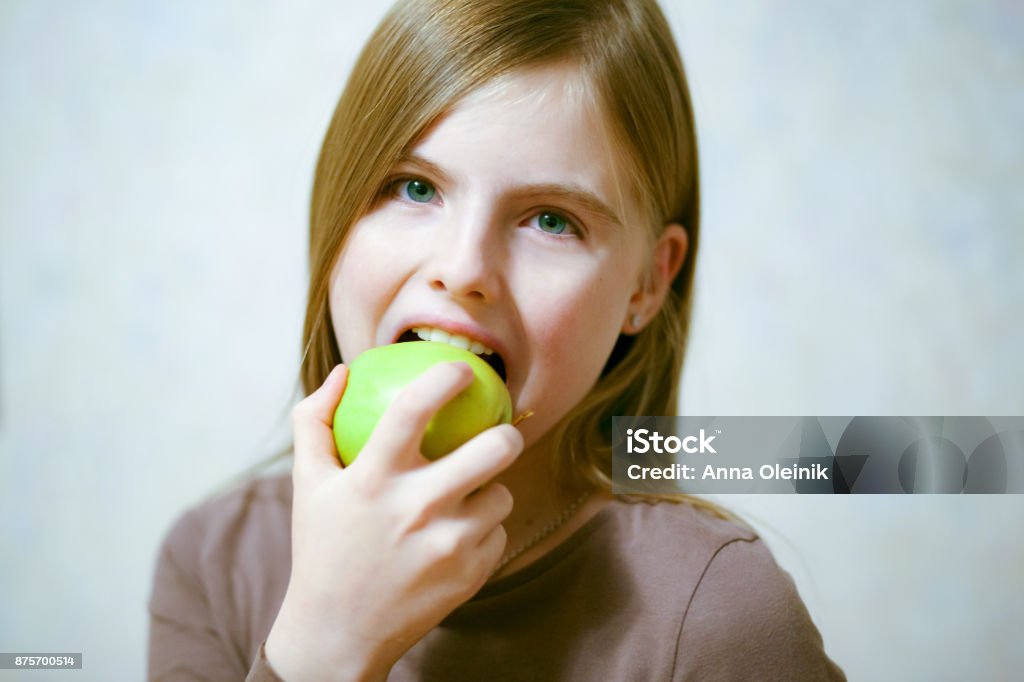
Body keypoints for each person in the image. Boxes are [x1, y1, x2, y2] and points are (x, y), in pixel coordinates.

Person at [148, 0, 846, 679]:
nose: (463, 270)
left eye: (550, 220)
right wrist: (324, 651)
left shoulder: (719, 614)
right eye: (414, 189)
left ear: (646, 285)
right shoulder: (215, 562)